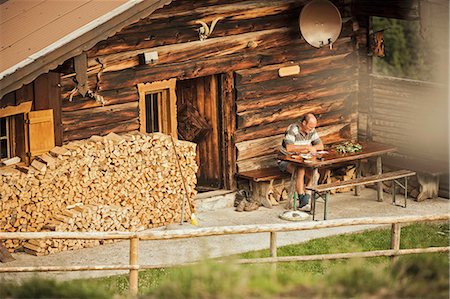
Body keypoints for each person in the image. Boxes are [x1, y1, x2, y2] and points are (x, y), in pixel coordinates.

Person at [278, 113, 324, 210]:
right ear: (303, 123)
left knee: (315, 175)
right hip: (285, 161)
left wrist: (312, 148)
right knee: (300, 170)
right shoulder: (293, 130)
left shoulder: (312, 130)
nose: (311, 129)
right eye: (310, 126)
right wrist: (307, 147)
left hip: (302, 160)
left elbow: (320, 146)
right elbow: (289, 148)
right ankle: (303, 202)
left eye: (313, 127)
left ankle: (305, 197)